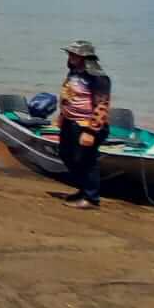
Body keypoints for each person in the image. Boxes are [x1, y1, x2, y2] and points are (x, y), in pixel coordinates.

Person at [58, 40, 111, 210]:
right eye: (70, 54)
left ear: (85, 57)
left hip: (87, 125)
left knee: (87, 161)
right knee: (66, 155)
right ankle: (83, 190)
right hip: (70, 122)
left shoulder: (98, 78)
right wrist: (62, 115)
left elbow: (102, 105)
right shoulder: (73, 72)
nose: (71, 57)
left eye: (74, 55)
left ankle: (92, 198)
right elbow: (69, 95)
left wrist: (91, 131)